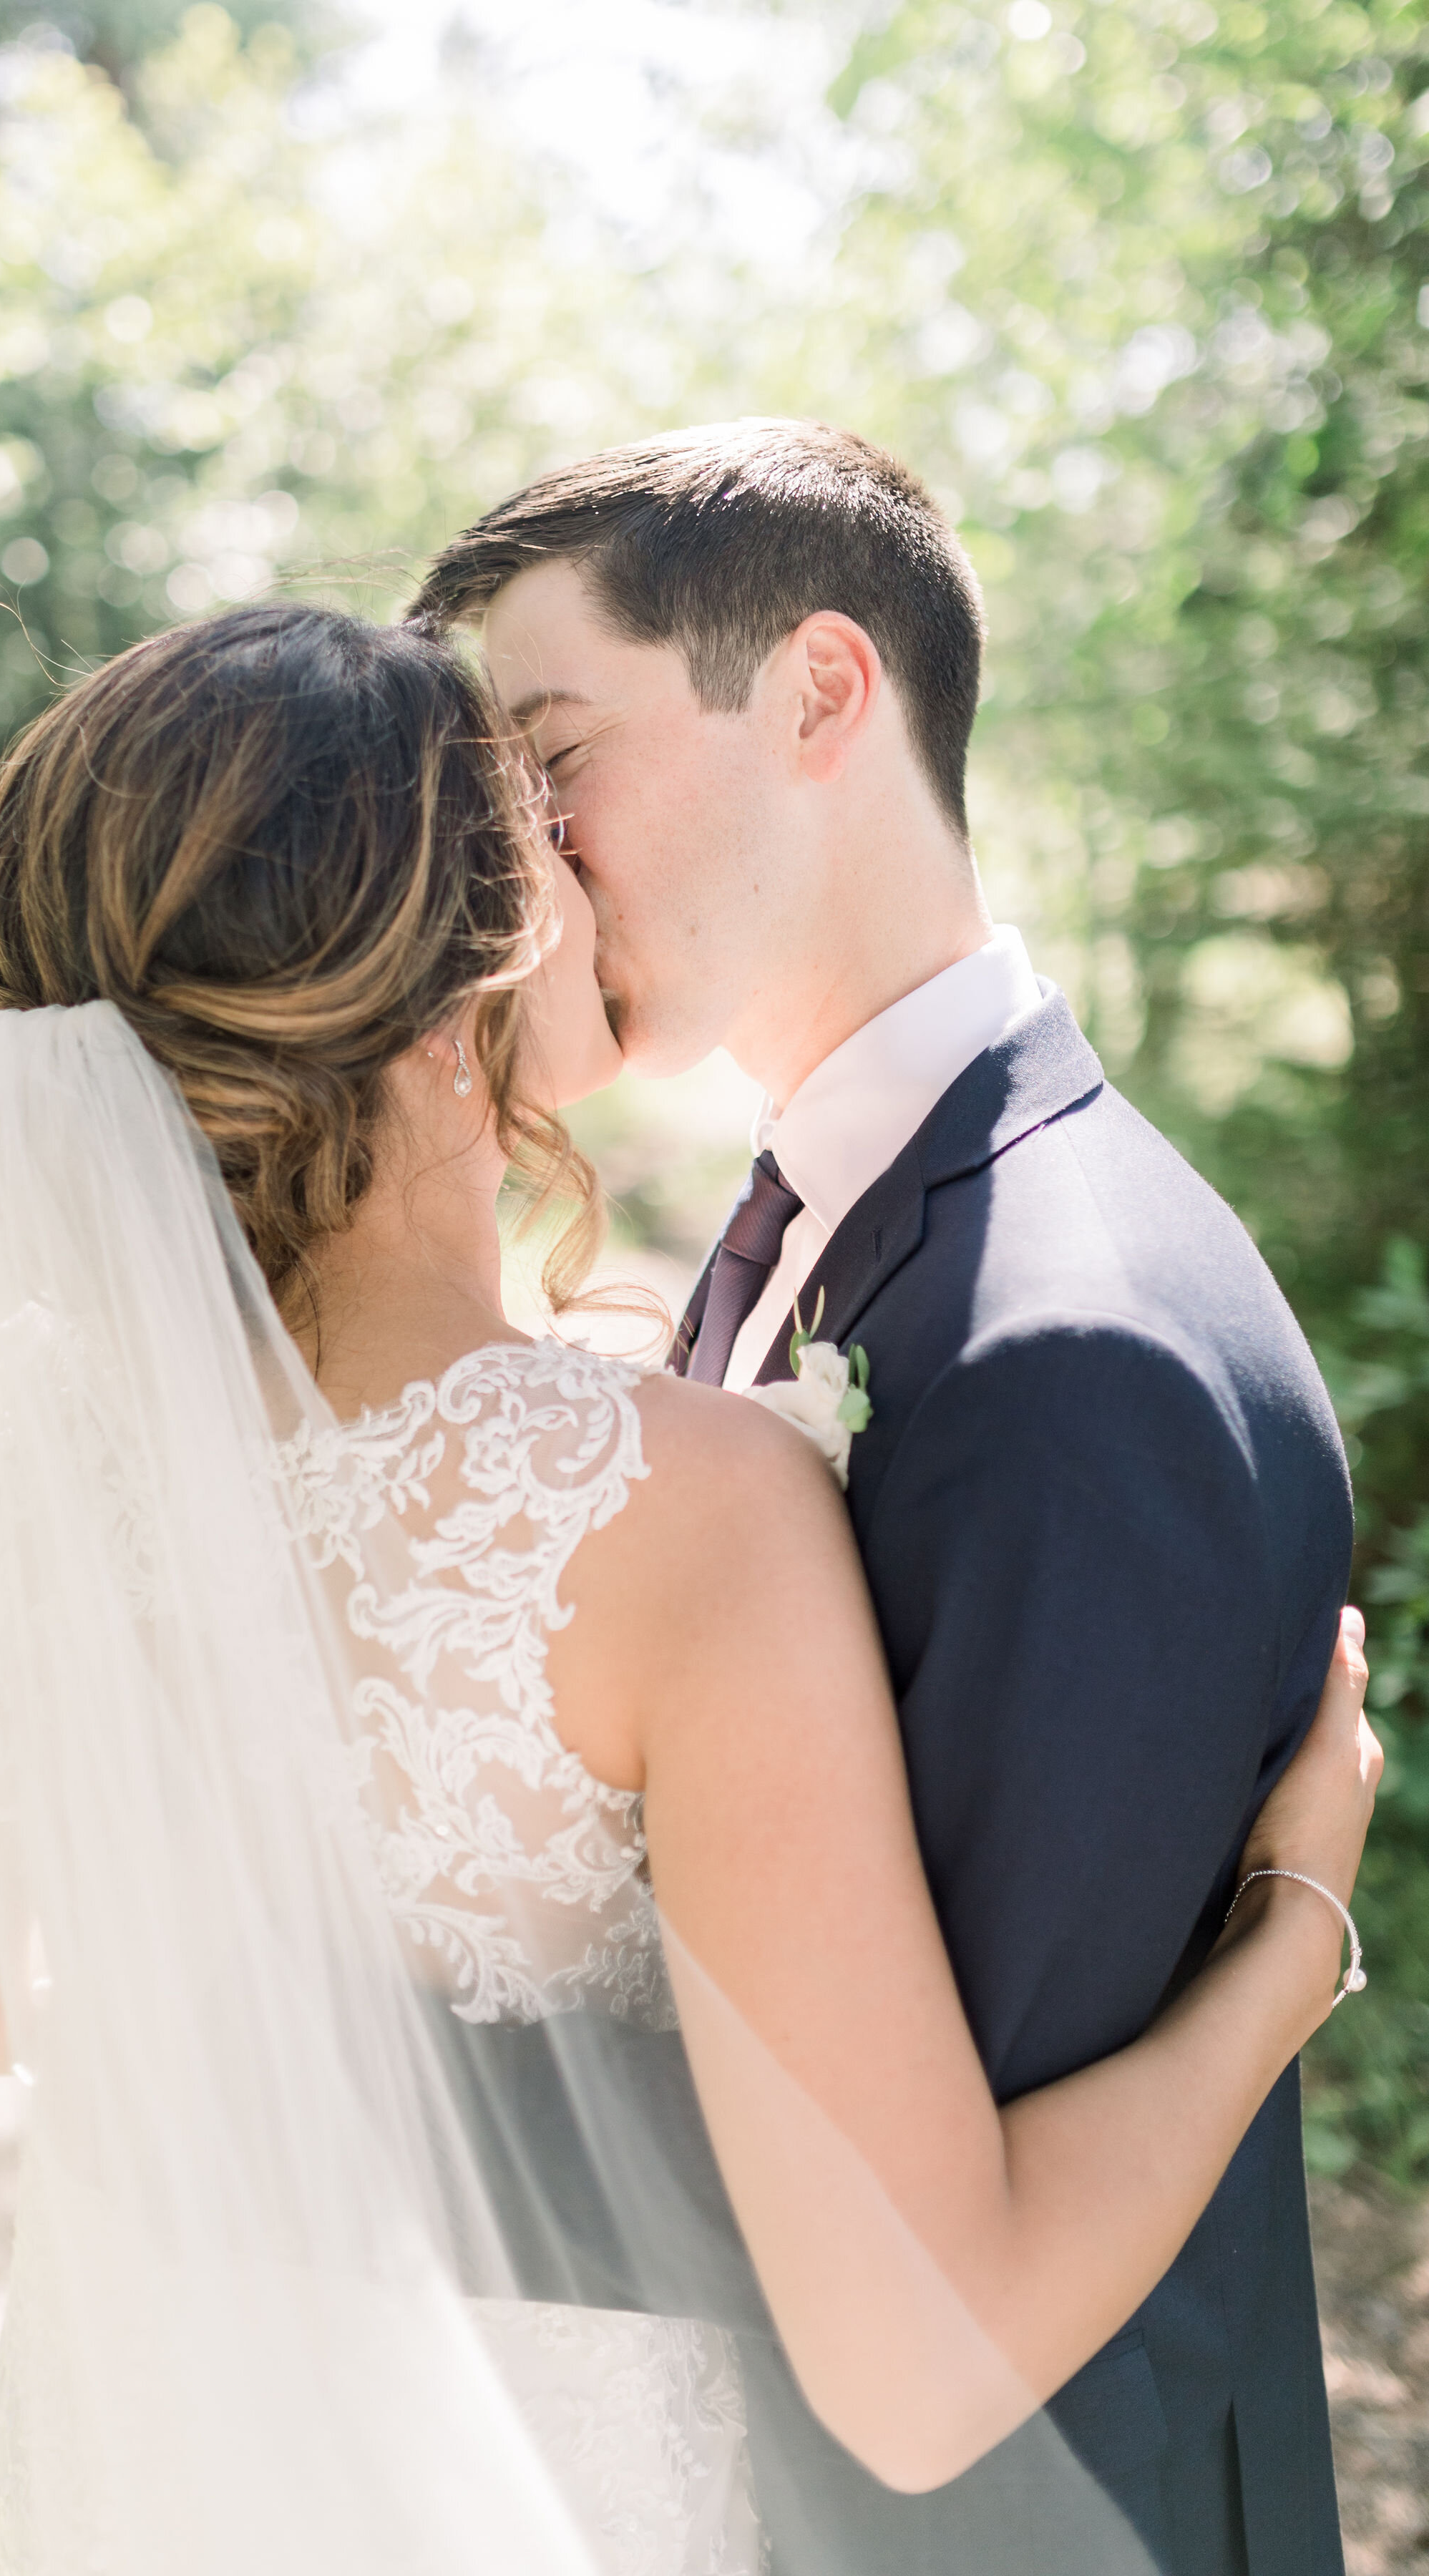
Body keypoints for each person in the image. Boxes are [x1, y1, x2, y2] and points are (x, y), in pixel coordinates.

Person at [0, 600, 1377, 2576]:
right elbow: (924, 2367)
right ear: (443, 1000)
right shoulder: (671, 1515)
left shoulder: (34, 1485)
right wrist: (1285, 1953)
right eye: (534, 831)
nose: (578, 873)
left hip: (153, 2450)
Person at [409, 417, 1364, 2575]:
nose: (525, 868)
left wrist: (298, 2087)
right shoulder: (848, 1214)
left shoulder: (1063, 1355)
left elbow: (931, 2265)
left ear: (825, 692)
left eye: (556, 763)